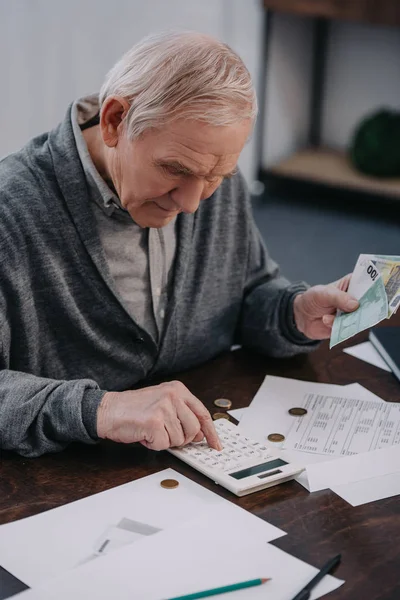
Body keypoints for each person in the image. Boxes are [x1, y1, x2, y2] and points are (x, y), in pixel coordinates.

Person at [0, 31, 358, 458]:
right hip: (64, 487)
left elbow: (245, 296)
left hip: (197, 459)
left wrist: (292, 313)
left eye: (215, 177)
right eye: (175, 170)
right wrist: (102, 409)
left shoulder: (212, 178)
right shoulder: (11, 211)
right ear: (114, 121)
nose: (191, 204)